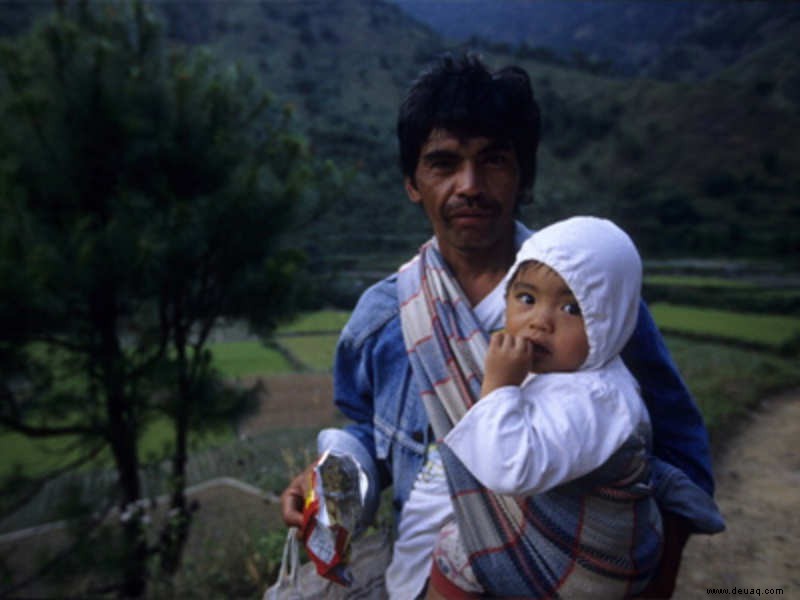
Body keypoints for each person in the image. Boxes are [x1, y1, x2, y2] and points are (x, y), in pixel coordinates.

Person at [281, 54, 719, 598]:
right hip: (426, 578)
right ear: (412, 183)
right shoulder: (386, 318)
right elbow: (371, 432)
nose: (469, 184)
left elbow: (675, 448)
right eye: (443, 164)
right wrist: (332, 473)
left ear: (522, 177)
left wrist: (654, 577)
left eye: (493, 160)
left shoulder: (594, 307)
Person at [414, 215, 722, 598]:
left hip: (588, 568)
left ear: (611, 320)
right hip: (609, 557)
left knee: (454, 546)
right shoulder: (579, 376)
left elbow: (510, 469)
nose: (540, 322)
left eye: (572, 309)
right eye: (526, 298)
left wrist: (498, 386)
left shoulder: (594, 399)